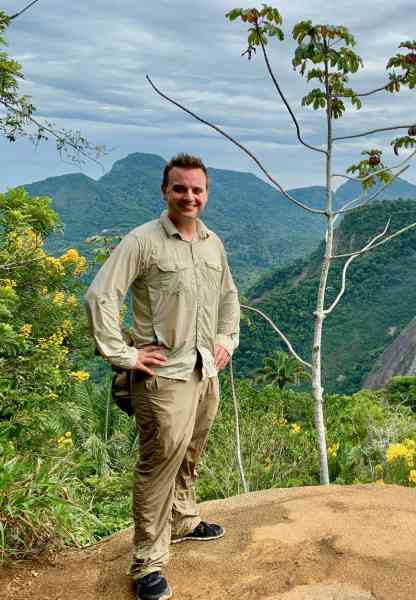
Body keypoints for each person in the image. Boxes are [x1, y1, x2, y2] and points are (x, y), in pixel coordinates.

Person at [85, 153, 240, 600]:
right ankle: (147, 563)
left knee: (191, 452)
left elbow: (229, 295)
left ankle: (185, 519)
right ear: (165, 192)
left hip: (204, 369)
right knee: (159, 464)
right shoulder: (143, 241)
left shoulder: (212, 243)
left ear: (206, 194)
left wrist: (226, 340)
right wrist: (123, 355)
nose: (189, 196)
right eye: (180, 188)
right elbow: (100, 297)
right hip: (163, 378)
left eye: (197, 189)